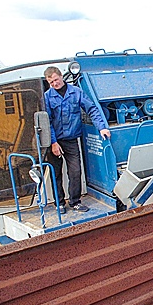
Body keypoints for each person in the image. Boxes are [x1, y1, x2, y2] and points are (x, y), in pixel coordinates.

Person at [43, 66, 111, 213]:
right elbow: (47, 122)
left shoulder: (76, 92)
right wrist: (54, 143)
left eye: (56, 80)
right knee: (56, 173)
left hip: (71, 140)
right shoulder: (47, 97)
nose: (55, 84)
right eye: (51, 82)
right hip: (54, 141)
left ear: (61, 76)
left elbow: (91, 109)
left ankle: (75, 201)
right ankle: (59, 203)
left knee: (75, 171)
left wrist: (101, 127)